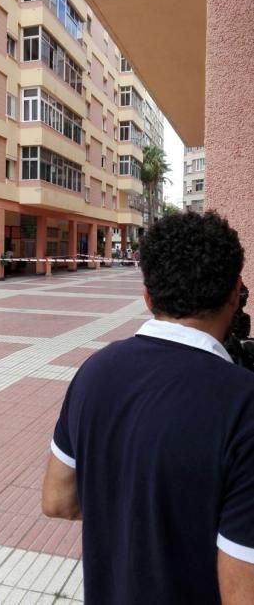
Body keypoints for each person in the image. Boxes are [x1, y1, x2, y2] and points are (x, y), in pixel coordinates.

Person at [42, 211, 254, 605]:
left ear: (148, 297)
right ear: (234, 292)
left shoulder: (95, 370)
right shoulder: (244, 403)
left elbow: (57, 500)